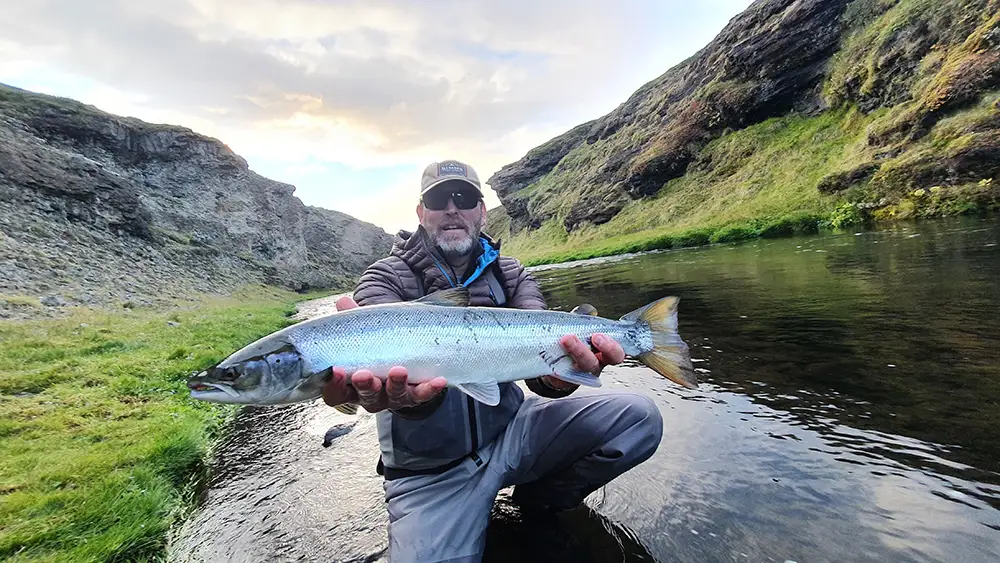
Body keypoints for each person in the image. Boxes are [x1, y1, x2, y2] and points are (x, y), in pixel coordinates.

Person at [321, 160, 664, 563]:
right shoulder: (384, 279)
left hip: (514, 433)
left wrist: (564, 374)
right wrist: (412, 399)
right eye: (438, 199)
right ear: (420, 212)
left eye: (465, 198)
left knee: (639, 418)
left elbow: (542, 375)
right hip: (432, 471)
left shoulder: (512, 274)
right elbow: (390, 383)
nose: (452, 208)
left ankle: (539, 500)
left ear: (481, 212)